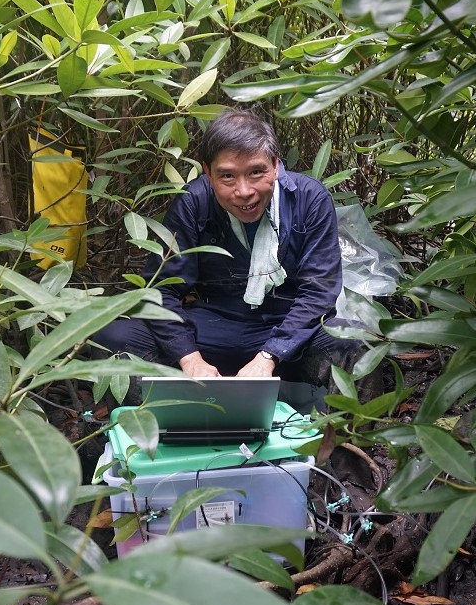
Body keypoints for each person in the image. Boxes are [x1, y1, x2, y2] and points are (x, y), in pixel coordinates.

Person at [94, 109, 376, 402]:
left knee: (357, 344)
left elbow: (319, 292)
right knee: (114, 339)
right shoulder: (194, 201)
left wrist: (269, 356)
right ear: (208, 172)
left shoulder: (309, 198)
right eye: (227, 176)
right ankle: (152, 436)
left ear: (276, 165)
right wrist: (190, 358)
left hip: (286, 329)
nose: (244, 191)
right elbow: (162, 290)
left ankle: (338, 445)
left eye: (256, 172)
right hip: (213, 325)